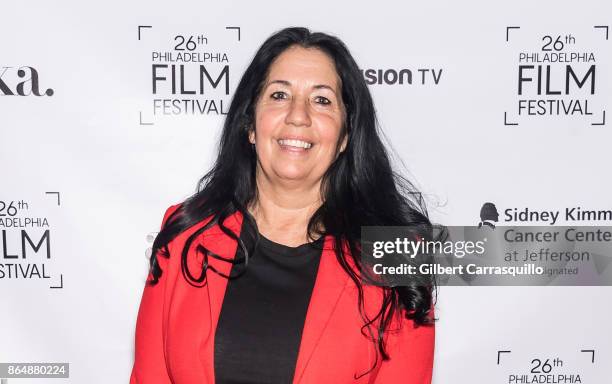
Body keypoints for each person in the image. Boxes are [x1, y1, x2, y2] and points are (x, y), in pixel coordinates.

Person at [130, 26, 436, 384]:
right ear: (250, 126)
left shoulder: (400, 253)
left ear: (345, 136)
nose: (298, 115)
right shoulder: (184, 233)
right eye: (279, 95)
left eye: (321, 100)